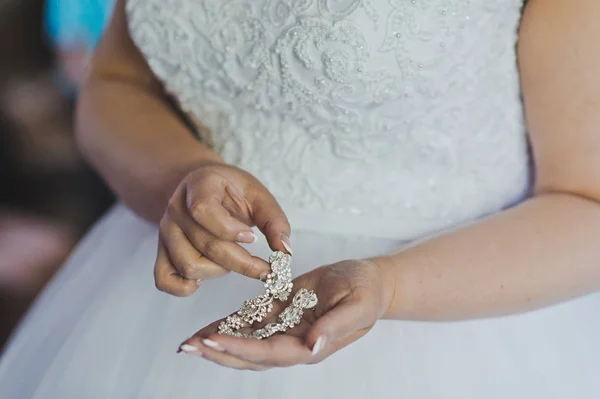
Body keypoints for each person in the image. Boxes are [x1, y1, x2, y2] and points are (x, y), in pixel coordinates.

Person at [1, 0, 599, 397]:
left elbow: (586, 203)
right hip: (157, 287)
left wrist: (391, 284)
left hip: (454, 314)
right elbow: (119, 82)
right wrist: (182, 175)